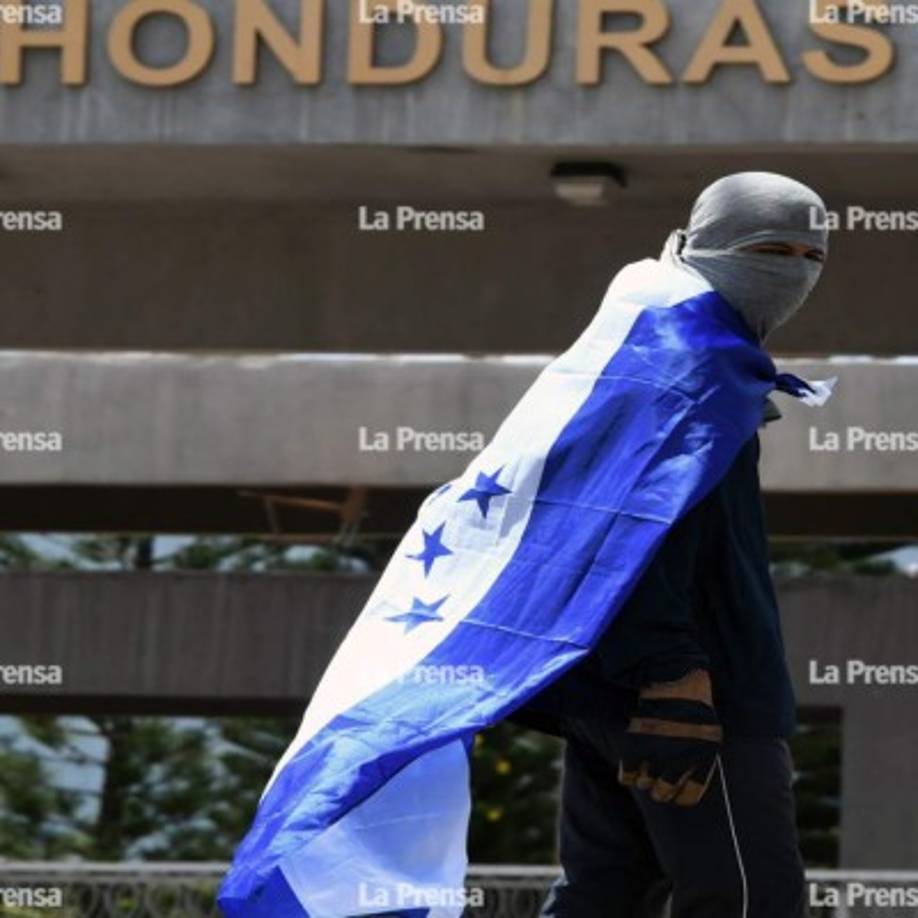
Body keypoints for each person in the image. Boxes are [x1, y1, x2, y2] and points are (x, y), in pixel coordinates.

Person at [513, 172, 829, 918]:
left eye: (807, 255)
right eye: (766, 248)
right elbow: (636, 522)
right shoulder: (689, 364)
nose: (789, 271)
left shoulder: (663, 348)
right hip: (691, 696)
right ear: (707, 246)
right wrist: (672, 679)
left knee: (606, 896)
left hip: (617, 686)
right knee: (750, 900)